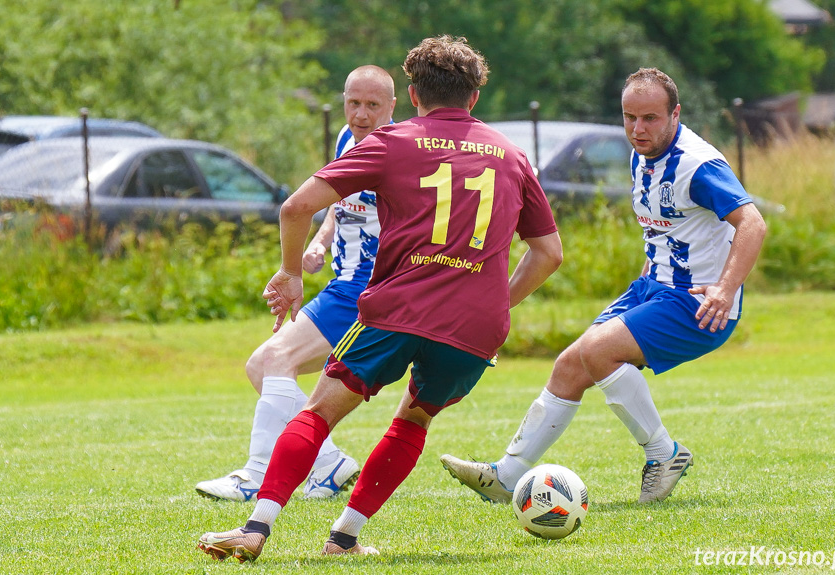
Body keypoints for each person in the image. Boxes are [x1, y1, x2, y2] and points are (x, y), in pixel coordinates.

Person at [196, 35, 563, 561]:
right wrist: (498, 302)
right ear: (474, 97)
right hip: (475, 326)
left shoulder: (394, 142)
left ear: (412, 96)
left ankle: (256, 528)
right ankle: (343, 538)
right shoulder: (510, 154)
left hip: (400, 308)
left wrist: (290, 272)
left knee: (319, 412)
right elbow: (548, 252)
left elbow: (295, 208)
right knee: (413, 419)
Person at [441, 67, 767, 505]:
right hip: (653, 287)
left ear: (676, 114)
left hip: (698, 300)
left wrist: (725, 289)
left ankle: (663, 453)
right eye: (629, 117)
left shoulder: (698, 164)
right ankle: (507, 476)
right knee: (570, 365)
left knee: (597, 352)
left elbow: (753, 222)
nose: (637, 128)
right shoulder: (642, 155)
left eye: (650, 118)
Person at [194, 65, 396, 502]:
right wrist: (322, 242)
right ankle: (328, 463)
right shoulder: (348, 138)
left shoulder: (394, 153)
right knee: (261, 367)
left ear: (393, 107)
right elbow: (339, 203)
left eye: (372, 105)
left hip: (365, 290)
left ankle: (255, 477)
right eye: (353, 102)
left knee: (273, 362)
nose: (361, 114)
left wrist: (293, 272)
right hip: (344, 283)